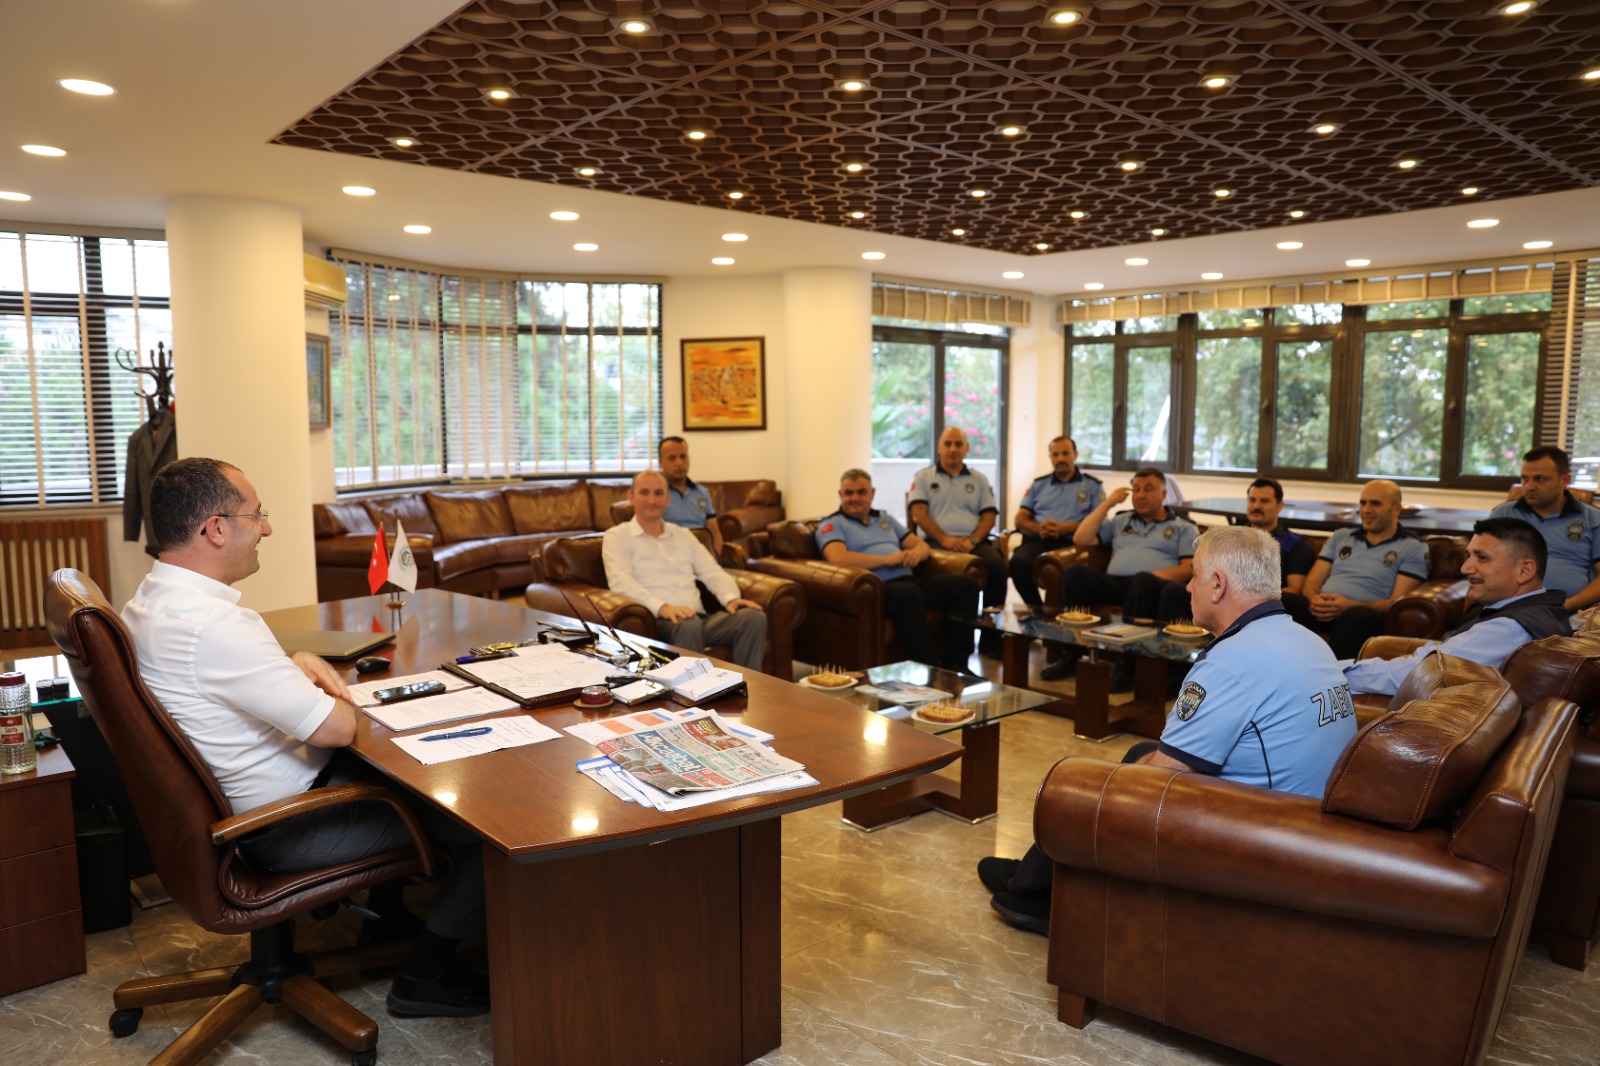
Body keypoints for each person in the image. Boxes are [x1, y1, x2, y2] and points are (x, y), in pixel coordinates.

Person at [121, 458, 488, 1017]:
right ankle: (425, 975)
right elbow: (339, 729)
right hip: (287, 825)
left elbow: (225, 682)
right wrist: (334, 692)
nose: (266, 528)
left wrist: (293, 664)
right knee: (482, 816)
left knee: (399, 772)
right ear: (215, 529)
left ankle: (387, 921)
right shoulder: (214, 626)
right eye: (256, 515)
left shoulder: (148, 604)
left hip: (237, 811)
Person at [980, 525, 1358, 935]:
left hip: (1261, 841)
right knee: (1136, 755)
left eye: (1195, 576)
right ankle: (1038, 879)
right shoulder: (1309, 641)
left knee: (1090, 783)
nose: (1188, 587)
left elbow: (1163, 775)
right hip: (1308, 828)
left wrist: (1119, 777)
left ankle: (1055, 899)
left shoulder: (1232, 660)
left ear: (1218, 585)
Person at [1341, 517, 1571, 696]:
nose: (1465, 568)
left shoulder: (1507, 630)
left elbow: (1418, 675)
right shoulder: (1540, 610)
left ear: (1524, 570)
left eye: (1482, 558)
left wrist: (1337, 675)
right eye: (1468, 556)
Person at [1041, 467, 1197, 688]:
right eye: (1136, 489)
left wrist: (1149, 575)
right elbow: (1081, 538)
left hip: (1152, 586)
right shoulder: (1121, 520)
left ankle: (1128, 666)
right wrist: (1108, 503)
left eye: (1148, 489)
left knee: (1141, 581)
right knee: (1075, 573)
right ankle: (1071, 654)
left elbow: (1189, 567)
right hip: (1116, 583)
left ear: (1163, 494)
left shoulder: (1183, 526)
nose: (1140, 495)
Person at [817, 468, 979, 671]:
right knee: (908, 593)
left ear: (872, 493)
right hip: (875, 588)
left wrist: (915, 554)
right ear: (840, 494)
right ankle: (931, 669)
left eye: (861, 492)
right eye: (849, 493)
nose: (855, 498)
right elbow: (838, 558)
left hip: (907, 580)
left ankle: (957, 665)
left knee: (966, 585)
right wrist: (887, 560)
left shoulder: (884, 519)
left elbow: (921, 545)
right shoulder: (832, 524)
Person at [602, 470, 765, 670]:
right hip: (658, 623)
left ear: (667, 499)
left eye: (659, 493)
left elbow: (712, 572)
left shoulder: (683, 535)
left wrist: (730, 598)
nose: (651, 500)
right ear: (631, 497)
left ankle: (745, 684)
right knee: (689, 625)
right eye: (644, 492)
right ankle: (695, 690)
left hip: (698, 619)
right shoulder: (617, 536)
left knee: (753, 618)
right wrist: (663, 607)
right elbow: (621, 583)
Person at [1281, 479, 1430, 660]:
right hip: (1321, 610)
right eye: (1363, 503)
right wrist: (1315, 599)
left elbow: (1395, 602)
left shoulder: (1413, 547)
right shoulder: (1342, 536)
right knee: (1281, 599)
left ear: (1396, 509)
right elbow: (1312, 581)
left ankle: (1334, 675)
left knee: (1357, 616)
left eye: (1375, 504)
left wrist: (1349, 605)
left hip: (1362, 615)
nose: (1366, 510)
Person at [1156, 476, 1313, 620]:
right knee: (1173, 591)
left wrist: (1249, 595)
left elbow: (1294, 589)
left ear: (1279, 505)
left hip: (1261, 603)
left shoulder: (1296, 544)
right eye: (1252, 500)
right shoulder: (1230, 538)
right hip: (1221, 595)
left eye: (1264, 501)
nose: (1256, 506)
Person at [908, 427, 1004, 656]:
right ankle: (957, 644)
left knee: (997, 566)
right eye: (948, 444)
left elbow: (989, 516)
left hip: (974, 543)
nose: (953, 449)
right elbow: (918, 514)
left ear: (966, 448)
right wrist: (945, 539)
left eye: (958, 444)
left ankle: (991, 640)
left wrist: (972, 541)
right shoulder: (924, 478)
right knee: (958, 578)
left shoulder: (979, 480)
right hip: (938, 544)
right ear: (939, 447)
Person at [1490, 445, 1600, 614]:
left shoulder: (1593, 518)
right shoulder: (1503, 514)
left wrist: (1569, 605)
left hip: (1569, 611)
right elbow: (1481, 564)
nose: (1529, 486)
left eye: (1540, 479)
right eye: (1525, 478)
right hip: (1507, 606)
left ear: (1565, 480)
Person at [1009, 436, 1104, 607]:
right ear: (1050, 457)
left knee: (1056, 568)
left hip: (1073, 543)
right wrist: (1039, 527)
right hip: (1040, 539)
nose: (1060, 459)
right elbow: (1020, 519)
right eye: (1055, 454)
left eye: (1065, 453)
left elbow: (1099, 522)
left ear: (1075, 454)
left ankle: (1058, 614)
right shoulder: (1038, 485)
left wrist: (1066, 528)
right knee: (1018, 562)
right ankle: (1037, 610)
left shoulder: (1093, 486)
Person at [657, 435, 723, 555]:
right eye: (672, 458)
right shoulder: (656, 495)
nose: (679, 463)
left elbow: (715, 533)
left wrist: (714, 558)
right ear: (661, 462)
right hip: (672, 555)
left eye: (683, 456)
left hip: (703, 554)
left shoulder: (702, 492)